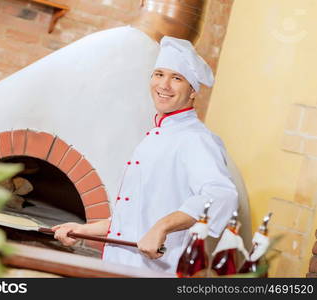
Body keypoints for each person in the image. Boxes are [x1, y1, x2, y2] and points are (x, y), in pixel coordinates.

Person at [52, 36, 238, 273]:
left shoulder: (195, 139)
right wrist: (81, 230)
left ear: (193, 91)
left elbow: (221, 195)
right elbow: (133, 221)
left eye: (177, 78)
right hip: (120, 269)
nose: (164, 85)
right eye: (159, 74)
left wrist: (162, 227)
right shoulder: (157, 135)